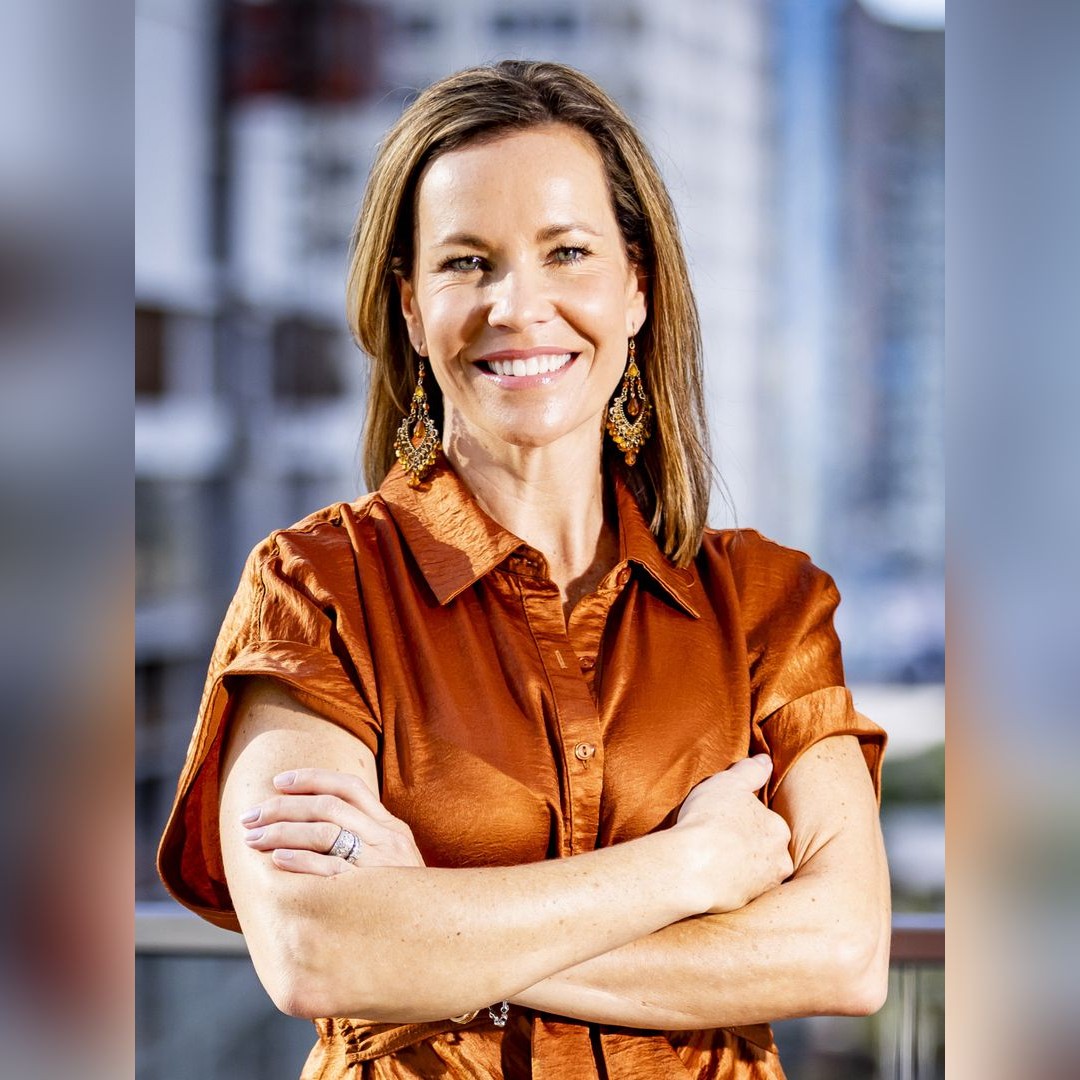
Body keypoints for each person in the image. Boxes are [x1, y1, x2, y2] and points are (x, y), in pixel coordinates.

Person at [158, 60, 890, 1079]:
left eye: (567, 253)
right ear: (411, 311)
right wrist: (688, 869)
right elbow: (319, 953)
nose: (519, 306)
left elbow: (844, 955)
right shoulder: (315, 590)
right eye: (467, 263)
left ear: (637, 288)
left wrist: (436, 937)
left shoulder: (769, 606)